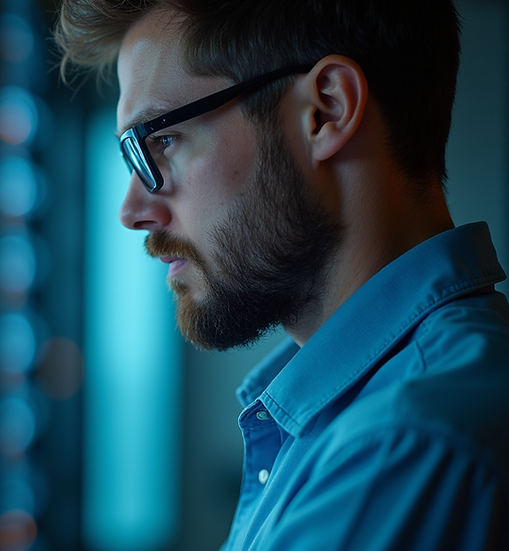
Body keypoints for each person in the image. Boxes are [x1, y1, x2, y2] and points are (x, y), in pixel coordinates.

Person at [53, 1, 509, 549]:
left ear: (326, 111)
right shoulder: (358, 418)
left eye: (160, 141)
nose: (131, 211)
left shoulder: (401, 448)